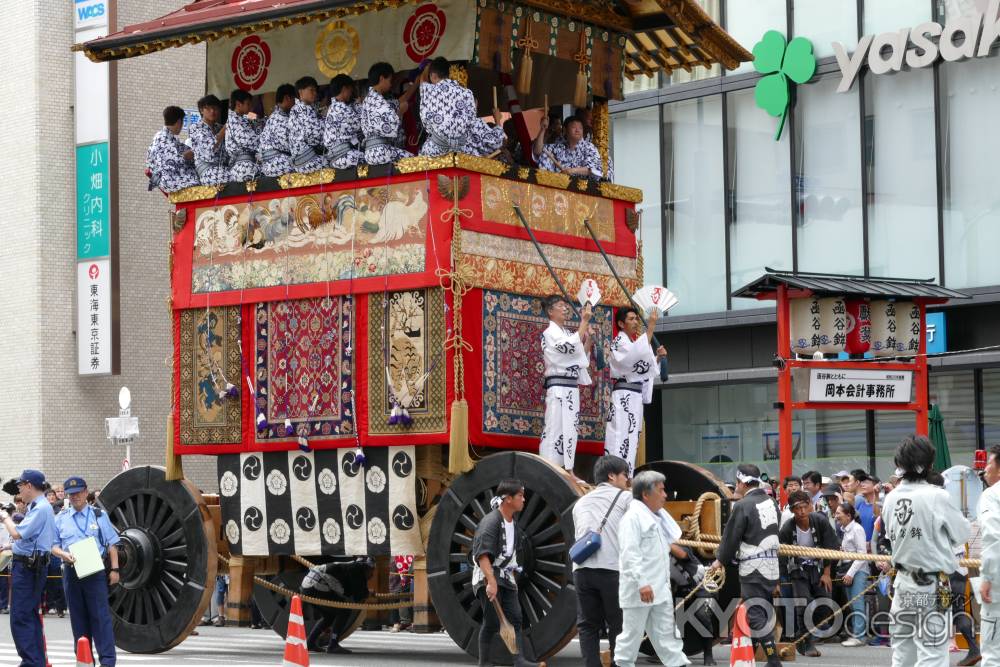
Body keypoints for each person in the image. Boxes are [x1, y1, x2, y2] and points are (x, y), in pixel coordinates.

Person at [883, 434, 970, 667]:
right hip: (930, 585)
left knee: (902, 653)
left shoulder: (890, 499)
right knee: (932, 654)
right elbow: (962, 534)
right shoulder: (937, 496)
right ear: (929, 465)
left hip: (902, 584)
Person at [615, 470, 689, 667]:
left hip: (659, 590)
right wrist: (642, 583)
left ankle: (678, 664)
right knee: (631, 638)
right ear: (646, 495)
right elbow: (630, 555)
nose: (665, 495)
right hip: (640, 590)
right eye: (661, 490)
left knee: (668, 635)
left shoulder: (656, 518)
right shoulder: (632, 518)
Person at [710, 464, 782, 667]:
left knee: (755, 614)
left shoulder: (743, 505)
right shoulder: (771, 502)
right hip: (771, 565)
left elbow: (731, 537)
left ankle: (773, 660)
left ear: (741, 482)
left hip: (753, 566)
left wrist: (720, 560)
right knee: (763, 611)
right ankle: (771, 658)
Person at [50, 477, 120, 667]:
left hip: (95, 572)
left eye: (79, 492)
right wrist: (63, 554)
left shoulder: (98, 515)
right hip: (72, 573)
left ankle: (107, 661)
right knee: (78, 619)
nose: (75, 497)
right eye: (71, 494)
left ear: (86, 492)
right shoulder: (61, 518)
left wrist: (115, 569)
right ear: (66, 495)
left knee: (101, 617)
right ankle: (84, 660)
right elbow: (53, 546)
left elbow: (112, 543)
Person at [470, 479, 541, 667]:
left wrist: (512, 579)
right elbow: (483, 555)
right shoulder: (491, 521)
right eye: (520, 496)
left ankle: (519, 661)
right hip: (486, 574)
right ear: (508, 499)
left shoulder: (513, 524)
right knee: (492, 621)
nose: (523, 499)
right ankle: (484, 663)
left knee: (516, 617)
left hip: (506, 576)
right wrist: (491, 582)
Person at [572, 455, 631, 667]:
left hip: (582, 569)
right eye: (625, 474)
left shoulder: (580, 503)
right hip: (611, 569)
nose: (627, 479)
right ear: (612, 476)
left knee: (587, 625)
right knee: (618, 624)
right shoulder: (625, 499)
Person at [0, 470, 56, 667]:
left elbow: (17, 533)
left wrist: (4, 517)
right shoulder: (39, 507)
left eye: (20, 486)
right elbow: (32, 540)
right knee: (29, 616)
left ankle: (31, 662)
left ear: (29, 486)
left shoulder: (40, 508)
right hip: (32, 565)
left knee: (20, 617)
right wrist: (11, 547)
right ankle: (36, 661)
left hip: (28, 568)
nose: (19, 490)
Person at [925, 471, 981, 665]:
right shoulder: (945, 503)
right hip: (955, 566)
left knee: (946, 609)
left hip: (950, 569)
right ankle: (971, 648)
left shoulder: (938, 504)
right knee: (953, 609)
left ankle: (970, 649)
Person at [604, 307, 666, 475]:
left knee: (632, 438)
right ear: (621, 323)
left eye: (636, 319)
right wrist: (651, 327)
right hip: (624, 395)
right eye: (631, 319)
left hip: (635, 397)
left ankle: (627, 475)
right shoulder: (619, 342)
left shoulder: (632, 343)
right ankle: (615, 475)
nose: (635, 322)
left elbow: (642, 365)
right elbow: (633, 358)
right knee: (620, 436)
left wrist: (657, 359)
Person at [779, 490, 839, 657]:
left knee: (825, 605)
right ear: (791, 510)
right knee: (804, 604)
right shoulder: (787, 528)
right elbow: (781, 556)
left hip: (819, 568)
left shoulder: (820, 521)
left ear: (811, 505)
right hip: (798, 570)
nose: (801, 512)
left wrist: (826, 573)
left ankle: (800, 635)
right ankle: (807, 642)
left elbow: (830, 548)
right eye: (797, 508)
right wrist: (779, 580)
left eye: (804, 507)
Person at [539, 295, 592, 475]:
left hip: (570, 388)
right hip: (558, 387)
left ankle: (568, 469)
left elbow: (579, 357)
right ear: (550, 311)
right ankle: (550, 468)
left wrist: (589, 340)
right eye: (560, 306)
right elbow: (567, 348)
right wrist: (583, 322)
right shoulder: (549, 332)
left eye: (565, 305)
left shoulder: (568, 333)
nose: (565, 308)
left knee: (570, 429)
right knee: (555, 428)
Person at [301, 558, 374, 654]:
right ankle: (333, 645)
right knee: (344, 611)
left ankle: (310, 642)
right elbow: (359, 596)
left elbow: (350, 592)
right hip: (317, 585)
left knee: (329, 616)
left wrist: (364, 593)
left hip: (308, 586)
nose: (372, 575)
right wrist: (368, 593)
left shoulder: (351, 567)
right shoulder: (356, 568)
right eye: (372, 571)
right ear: (367, 567)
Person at [361, 62, 418, 165]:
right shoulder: (377, 100)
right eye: (390, 80)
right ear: (382, 78)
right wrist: (400, 112)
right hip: (380, 151)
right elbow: (390, 126)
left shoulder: (370, 99)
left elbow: (396, 104)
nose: (391, 84)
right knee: (414, 161)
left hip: (371, 152)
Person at [977, 444, 1000, 667]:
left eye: (988, 464)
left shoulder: (991, 495)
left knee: (993, 651)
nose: (984, 470)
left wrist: (987, 578)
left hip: (998, 583)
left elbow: (993, 537)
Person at [835, 502, 869, 646]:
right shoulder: (845, 529)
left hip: (858, 569)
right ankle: (857, 634)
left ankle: (860, 636)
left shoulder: (857, 529)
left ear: (848, 515)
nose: (836, 516)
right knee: (851, 603)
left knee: (857, 602)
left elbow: (862, 554)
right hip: (848, 568)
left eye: (838, 513)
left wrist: (850, 574)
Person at [145, 106, 199, 193]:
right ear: (178, 122)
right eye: (182, 122)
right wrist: (185, 156)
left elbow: (184, 149)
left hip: (171, 175)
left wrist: (195, 150)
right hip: (169, 179)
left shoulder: (167, 137)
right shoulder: (162, 138)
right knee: (201, 180)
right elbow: (170, 162)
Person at [532, 115, 602, 178]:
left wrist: (572, 171)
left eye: (580, 128)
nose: (577, 130)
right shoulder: (558, 147)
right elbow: (538, 151)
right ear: (565, 130)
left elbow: (595, 169)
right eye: (574, 127)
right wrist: (543, 129)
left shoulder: (589, 147)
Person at [287, 76, 329, 174]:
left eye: (315, 90)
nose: (315, 93)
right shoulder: (303, 109)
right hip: (307, 159)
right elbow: (314, 137)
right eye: (311, 90)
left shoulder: (300, 108)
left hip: (304, 159)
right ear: (300, 92)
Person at [322, 74, 364, 170]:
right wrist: (359, 104)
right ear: (344, 89)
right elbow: (361, 125)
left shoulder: (332, 107)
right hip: (344, 155)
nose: (351, 93)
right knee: (370, 159)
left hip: (337, 156)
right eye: (350, 90)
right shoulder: (342, 108)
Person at [189, 94, 229, 185]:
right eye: (208, 108)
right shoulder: (196, 127)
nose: (212, 111)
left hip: (223, 168)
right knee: (236, 178)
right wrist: (224, 129)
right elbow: (210, 148)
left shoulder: (219, 127)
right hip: (208, 171)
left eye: (215, 108)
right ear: (201, 110)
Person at [259, 83, 296, 177]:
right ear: (287, 98)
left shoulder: (279, 115)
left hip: (278, 159)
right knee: (305, 163)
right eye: (295, 99)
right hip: (275, 162)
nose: (296, 103)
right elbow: (289, 145)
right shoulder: (278, 118)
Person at [225, 89, 261, 182]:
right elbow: (248, 141)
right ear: (238, 104)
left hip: (249, 161)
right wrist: (265, 140)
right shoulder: (233, 119)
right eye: (248, 104)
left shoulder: (242, 117)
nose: (251, 107)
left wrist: (260, 120)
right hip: (243, 166)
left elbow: (257, 118)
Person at [852, 471, 879, 543]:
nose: (862, 485)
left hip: (874, 549)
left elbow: (879, 520)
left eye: (866, 482)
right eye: (862, 482)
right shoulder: (860, 504)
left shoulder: (880, 506)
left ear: (876, 485)